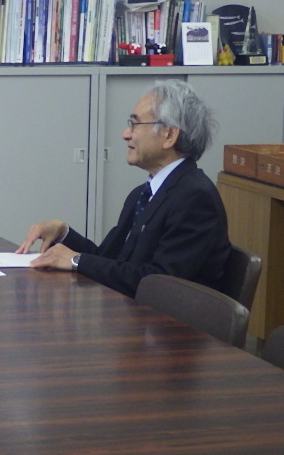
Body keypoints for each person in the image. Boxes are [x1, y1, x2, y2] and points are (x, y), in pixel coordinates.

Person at [17, 79, 231, 297]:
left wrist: (75, 261)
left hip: (172, 326)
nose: (125, 134)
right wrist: (64, 234)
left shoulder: (195, 198)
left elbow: (159, 283)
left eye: (135, 124)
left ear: (169, 135)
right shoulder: (142, 194)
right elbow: (109, 259)